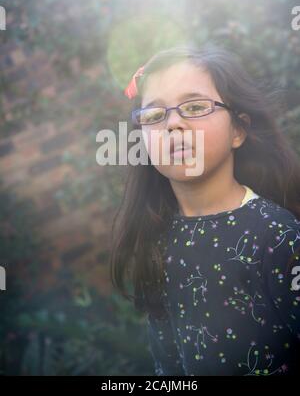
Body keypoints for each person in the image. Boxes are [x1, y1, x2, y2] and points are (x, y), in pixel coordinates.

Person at [110, 43, 300, 375]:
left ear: (237, 130)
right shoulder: (156, 238)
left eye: (195, 107)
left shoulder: (277, 235)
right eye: (154, 115)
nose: (173, 125)